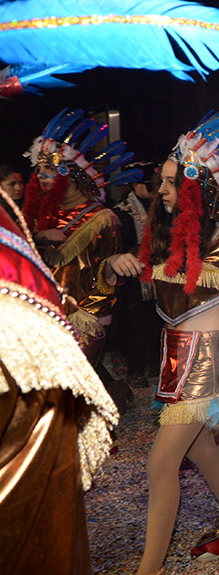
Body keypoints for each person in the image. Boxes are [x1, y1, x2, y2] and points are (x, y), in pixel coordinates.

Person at [108, 111, 219, 574]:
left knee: (160, 465)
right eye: (161, 182)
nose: (159, 190)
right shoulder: (167, 241)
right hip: (174, 354)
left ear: (193, 189)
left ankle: (150, 568)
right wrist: (118, 261)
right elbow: (153, 288)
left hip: (205, 362)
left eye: (168, 183)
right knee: (200, 447)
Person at [0, 187, 118, 575]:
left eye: (57, 169)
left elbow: (103, 277)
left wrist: (92, 312)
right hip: (57, 316)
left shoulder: (103, 219)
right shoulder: (37, 222)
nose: (49, 179)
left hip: (70, 323)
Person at [22, 108, 141, 409]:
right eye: (39, 170)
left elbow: (110, 275)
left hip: (85, 316)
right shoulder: (37, 218)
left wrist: (86, 317)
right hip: (44, 315)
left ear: (71, 174)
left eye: (50, 170)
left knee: (65, 389)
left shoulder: (104, 219)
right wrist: (36, 237)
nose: (41, 177)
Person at [109, 161, 162, 388]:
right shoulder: (121, 212)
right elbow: (116, 248)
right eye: (152, 186)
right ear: (136, 185)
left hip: (161, 274)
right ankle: (136, 370)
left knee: (159, 321)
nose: (157, 190)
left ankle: (158, 364)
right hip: (133, 278)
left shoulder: (162, 208)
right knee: (136, 325)